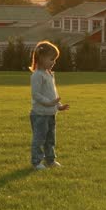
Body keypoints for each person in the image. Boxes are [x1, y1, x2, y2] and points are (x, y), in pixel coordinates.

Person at [28, 40, 70, 170]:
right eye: (52, 59)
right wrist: (49, 103)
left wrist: (58, 106)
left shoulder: (49, 74)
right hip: (40, 115)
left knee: (50, 140)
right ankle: (36, 162)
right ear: (41, 58)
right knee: (39, 140)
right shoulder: (37, 75)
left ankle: (50, 160)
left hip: (50, 114)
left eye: (55, 59)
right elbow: (36, 95)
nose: (54, 62)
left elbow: (53, 95)